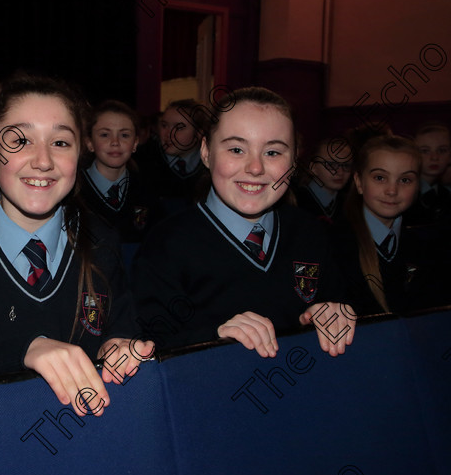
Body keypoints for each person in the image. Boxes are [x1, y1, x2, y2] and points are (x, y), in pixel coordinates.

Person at [0, 76, 153, 417]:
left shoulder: (101, 239)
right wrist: (25, 349)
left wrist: (119, 349)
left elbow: (122, 328)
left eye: (60, 143)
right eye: (20, 140)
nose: (43, 160)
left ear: (81, 154)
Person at [134, 86, 356, 359]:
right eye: (237, 149)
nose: (255, 168)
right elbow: (148, 346)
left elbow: (339, 308)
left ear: (295, 159)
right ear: (206, 151)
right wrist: (214, 338)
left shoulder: (312, 233)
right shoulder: (167, 244)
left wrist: (334, 313)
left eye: (273, 153)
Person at [335, 135, 444, 314]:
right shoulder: (335, 245)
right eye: (380, 178)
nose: (392, 190)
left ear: (418, 186)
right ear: (359, 182)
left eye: (405, 180)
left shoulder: (426, 247)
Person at [81, 100, 159, 242]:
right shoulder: (74, 191)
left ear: (135, 143)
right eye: (105, 135)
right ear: (89, 143)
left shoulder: (148, 189)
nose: (115, 142)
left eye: (124, 135)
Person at [134, 99, 208, 217]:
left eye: (179, 127)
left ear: (199, 132)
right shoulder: (141, 161)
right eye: (164, 125)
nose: (168, 133)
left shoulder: (212, 166)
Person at [293, 137, 352, 225]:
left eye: (346, 165)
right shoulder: (296, 201)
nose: (340, 172)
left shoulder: (350, 205)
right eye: (331, 165)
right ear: (313, 168)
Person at [405, 122, 451, 226]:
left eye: (442, 150)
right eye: (425, 151)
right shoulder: (406, 192)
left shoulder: (446, 193)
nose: (434, 157)